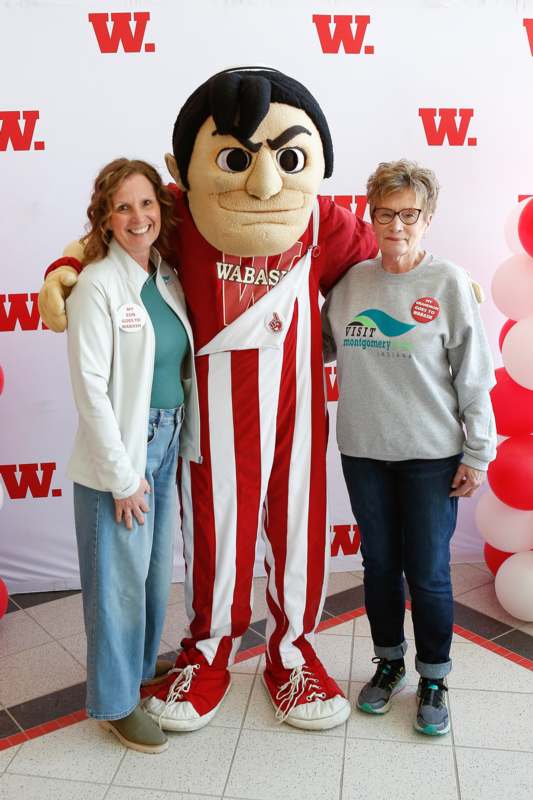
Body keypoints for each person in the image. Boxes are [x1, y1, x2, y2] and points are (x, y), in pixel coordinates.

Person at [39, 67, 378, 733]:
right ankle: (212, 648)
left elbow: (370, 267)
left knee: (298, 530)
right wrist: (63, 271)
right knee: (216, 536)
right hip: (212, 414)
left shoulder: (319, 216)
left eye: (285, 157)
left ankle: (290, 652)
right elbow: (104, 241)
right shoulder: (176, 211)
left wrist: (432, 285)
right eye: (234, 157)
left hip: (298, 410)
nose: (262, 181)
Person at [322, 159, 496, 736]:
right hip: (365, 451)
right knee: (379, 567)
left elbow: (474, 375)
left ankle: (435, 677)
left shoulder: (448, 283)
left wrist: (478, 452)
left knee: (427, 572)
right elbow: (317, 347)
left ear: (428, 218)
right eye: (385, 213)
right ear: (370, 217)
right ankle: (389, 662)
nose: (396, 226)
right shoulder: (350, 285)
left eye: (409, 214)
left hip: (431, 456)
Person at [66, 158, 200, 753]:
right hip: (123, 448)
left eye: (146, 203)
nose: (138, 216)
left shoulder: (164, 275)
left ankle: (141, 674)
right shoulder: (98, 283)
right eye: (123, 206)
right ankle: (116, 702)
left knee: (148, 576)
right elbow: (90, 389)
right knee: (117, 581)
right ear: (105, 217)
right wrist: (124, 479)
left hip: (166, 438)